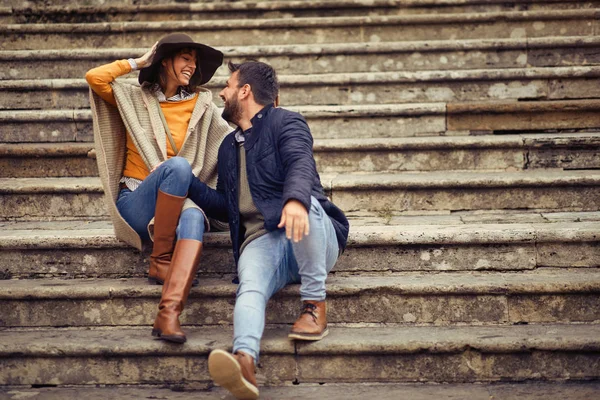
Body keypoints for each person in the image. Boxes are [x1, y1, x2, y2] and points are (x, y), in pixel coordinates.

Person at [187, 61, 349, 399]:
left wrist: (294, 200)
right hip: (263, 241)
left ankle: (314, 305)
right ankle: (244, 361)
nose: (221, 92)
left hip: (312, 234)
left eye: (228, 85)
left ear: (244, 91)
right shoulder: (227, 148)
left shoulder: (285, 121)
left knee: (307, 205)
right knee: (250, 287)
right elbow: (227, 206)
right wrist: (182, 179)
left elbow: (300, 163)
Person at [86, 33, 231, 344]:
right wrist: (138, 62)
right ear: (165, 61)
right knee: (177, 167)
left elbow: (231, 138)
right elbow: (94, 78)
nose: (192, 65)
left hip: (178, 198)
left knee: (194, 218)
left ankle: (169, 314)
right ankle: (161, 259)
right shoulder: (135, 98)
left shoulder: (202, 105)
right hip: (137, 199)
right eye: (185, 58)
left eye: (194, 60)